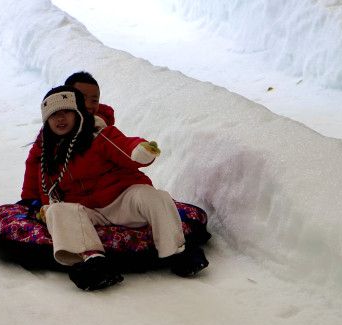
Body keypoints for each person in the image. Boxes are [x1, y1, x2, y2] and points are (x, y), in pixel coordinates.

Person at [21, 86, 208, 291]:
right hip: (86, 212)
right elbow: (42, 185)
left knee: (156, 197)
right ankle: (93, 262)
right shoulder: (47, 153)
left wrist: (141, 151)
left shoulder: (99, 135)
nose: (60, 119)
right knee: (56, 210)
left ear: (77, 113)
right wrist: (36, 204)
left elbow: (125, 147)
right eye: (53, 115)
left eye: (65, 112)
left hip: (121, 201)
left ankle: (177, 252)